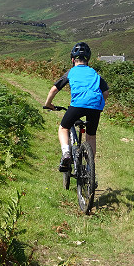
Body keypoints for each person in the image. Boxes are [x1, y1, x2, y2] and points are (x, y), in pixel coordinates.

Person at [44, 42, 109, 173]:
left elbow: (54, 90)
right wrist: (98, 104)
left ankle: (66, 153)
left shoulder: (71, 72)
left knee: (63, 128)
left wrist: (48, 104)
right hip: (96, 106)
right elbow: (105, 92)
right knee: (91, 136)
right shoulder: (94, 73)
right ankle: (89, 167)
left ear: (73, 60)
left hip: (78, 105)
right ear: (88, 60)